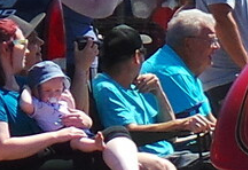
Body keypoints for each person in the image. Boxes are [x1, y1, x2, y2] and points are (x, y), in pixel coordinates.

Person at [0, 18, 171, 170]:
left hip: (63, 148)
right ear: (4, 49)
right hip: (33, 160)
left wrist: (82, 119)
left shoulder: (27, 84)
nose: (27, 50)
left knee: (116, 133)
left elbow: (65, 108)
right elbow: (3, 149)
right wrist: (55, 136)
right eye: (22, 43)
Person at [92, 26, 212, 168]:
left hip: (171, 154)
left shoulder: (135, 86)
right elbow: (128, 132)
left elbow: (172, 136)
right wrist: (182, 123)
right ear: (137, 56)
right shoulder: (106, 88)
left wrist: (159, 93)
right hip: (151, 159)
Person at [140, 10, 215, 125]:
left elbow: (210, 121)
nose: (217, 47)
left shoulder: (184, 70)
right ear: (189, 43)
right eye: (211, 41)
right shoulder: (173, 74)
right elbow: (200, 131)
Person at [24, 61, 99, 151]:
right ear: (35, 91)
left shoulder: (62, 101)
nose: (53, 95)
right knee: (77, 141)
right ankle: (93, 145)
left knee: (83, 135)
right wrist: (26, 89)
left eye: (58, 90)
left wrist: (68, 98)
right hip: (59, 136)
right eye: (47, 91)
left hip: (73, 128)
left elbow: (72, 109)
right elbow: (26, 104)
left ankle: (94, 143)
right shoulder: (39, 106)